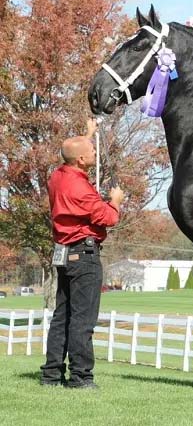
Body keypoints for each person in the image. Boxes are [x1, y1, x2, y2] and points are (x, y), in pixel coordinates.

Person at [40, 118, 124, 389]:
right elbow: (108, 218)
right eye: (92, 151)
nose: (95, 153)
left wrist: (87, 134)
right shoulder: (80, 190)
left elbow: (70, 150)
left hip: (63, 254)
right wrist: (115, 201)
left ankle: (51, 375)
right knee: (83, 320)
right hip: (84, 255)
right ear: (80, 160)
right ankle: (81, 378)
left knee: (61, 316)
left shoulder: (57, 176)